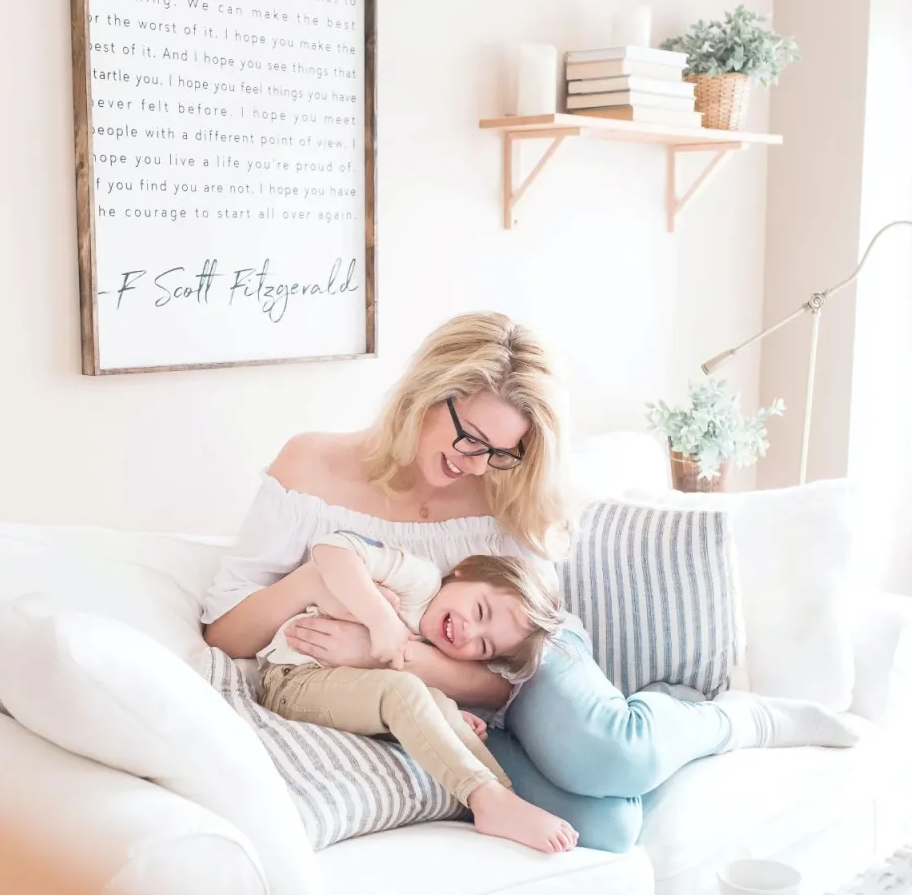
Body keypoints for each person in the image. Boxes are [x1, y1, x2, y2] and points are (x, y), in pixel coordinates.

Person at [202, 311, 857, 853]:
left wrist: (392, 650)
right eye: (469, 438)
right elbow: (224, 631)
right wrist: (319, 582)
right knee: (607, 829)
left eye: (498, 451)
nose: (474, 464)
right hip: (435, 695)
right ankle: (652, 728)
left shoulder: (501, 489)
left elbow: (503, 670)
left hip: (521, 650)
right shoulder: (311, 466)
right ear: (426, 395)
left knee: (613, 756)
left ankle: (731, 721)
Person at [256, 530, 575, 853]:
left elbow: (386, 692)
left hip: (342, 693)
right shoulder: (419, 581)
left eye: (483, 645)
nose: (469, 632)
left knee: (438, 702)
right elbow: (331, 547)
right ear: (465, 570)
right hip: (292, 679)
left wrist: (445, 716)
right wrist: (381, 620)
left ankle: (501, 797)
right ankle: (485, 798)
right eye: (480, 611)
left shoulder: (437, 648)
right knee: (405, 689)